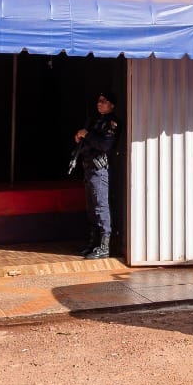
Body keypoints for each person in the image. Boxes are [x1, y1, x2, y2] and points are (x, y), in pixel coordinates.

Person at [73, 90, 119, 260]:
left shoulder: (112, 124)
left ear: (112, 105)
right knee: (92, 208)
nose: (99, 103)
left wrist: (88, 135)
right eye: (99, 100)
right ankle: (93, 243)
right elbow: (90, 143)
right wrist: (80, 137)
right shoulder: (96, 122)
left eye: (104, 101)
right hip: (89, 168)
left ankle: (104, 247)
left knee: (100, 207)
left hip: (99, 170)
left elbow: (104, 145)